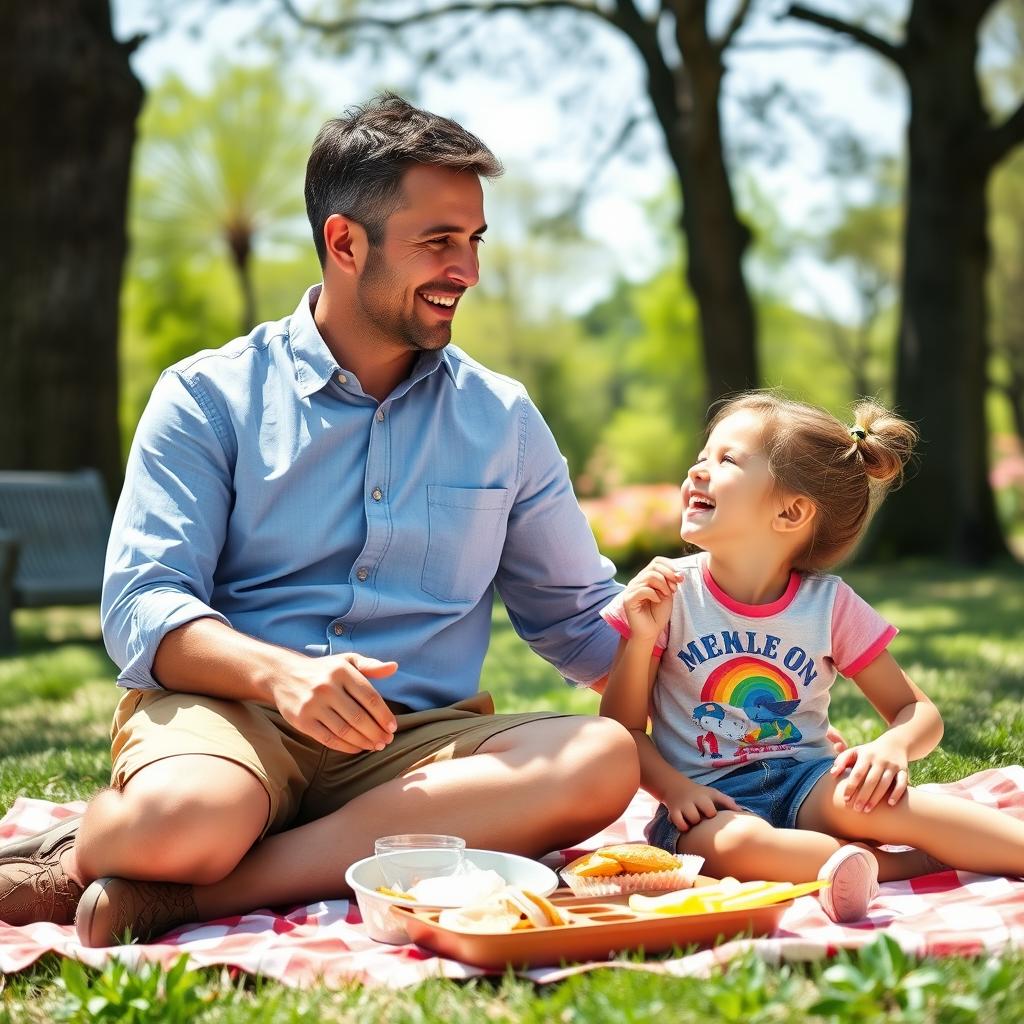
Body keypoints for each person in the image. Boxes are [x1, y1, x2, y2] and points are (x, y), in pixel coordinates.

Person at [0, 94, 641, 946]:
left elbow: (575, 617)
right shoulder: (207, 396)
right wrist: (280, 677)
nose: (469, 272)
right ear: (345, 242)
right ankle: (95, 851)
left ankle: (186, 896)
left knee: (599, 762)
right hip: (231, 713)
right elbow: (144, 606)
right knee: (187, 818)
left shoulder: (503, 418)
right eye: (438, 242)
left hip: (419, 746)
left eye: (474, 241)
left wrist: (724, 649)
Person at [599, 392, 1024, 923]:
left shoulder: (828, 605)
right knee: (729, 846)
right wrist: (673, 785)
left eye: (726, 459)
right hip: (707, 803)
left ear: (791, 511)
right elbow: (620, 732)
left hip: (811, 785)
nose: (697, 470)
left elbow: (920, 714)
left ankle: (996, 847)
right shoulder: (664, 594)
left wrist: (892, 748)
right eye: (703, 455)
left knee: (883, 802)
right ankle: (899, 865)